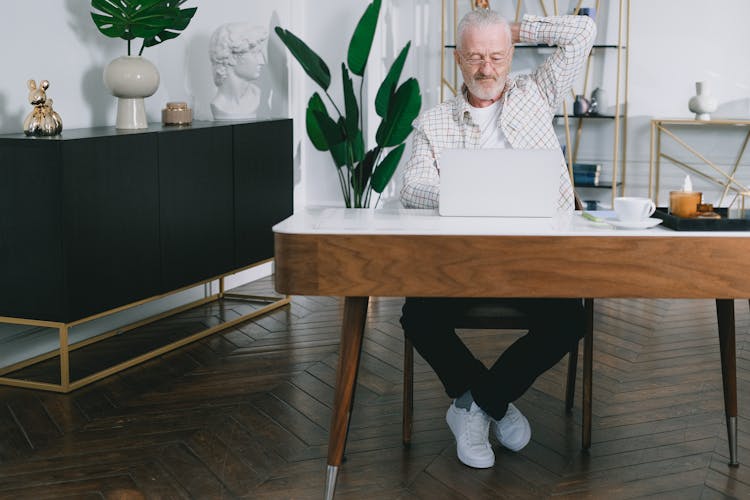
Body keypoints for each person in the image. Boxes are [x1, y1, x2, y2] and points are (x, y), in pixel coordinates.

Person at [399, 9, 595, 469]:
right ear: (457, 60)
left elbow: (584, 31)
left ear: (510, 54)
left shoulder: (535, 93)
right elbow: (411, 188)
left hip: (538, 262)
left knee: (569, 321)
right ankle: (495, 403)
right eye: (474, 58)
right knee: (417, 315)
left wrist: (516, 28)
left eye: (497, 56)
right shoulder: (434, 122)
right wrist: (475, 195)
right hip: (464, 265)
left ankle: (475, 406)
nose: (486, 69)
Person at [209, 23, 268, 121]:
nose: (262, 61)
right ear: (232, 57)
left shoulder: (256, 95)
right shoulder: (219, 104)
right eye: (255, 53)